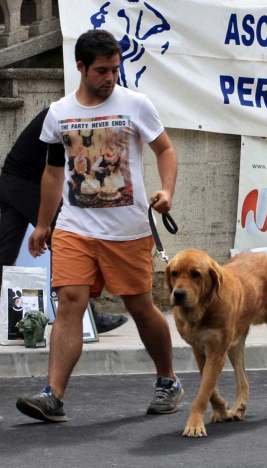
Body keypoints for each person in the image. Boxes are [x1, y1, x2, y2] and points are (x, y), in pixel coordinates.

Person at [16, 29, 184, 422]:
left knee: (140, 306)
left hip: (128, 231)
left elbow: (166, 149)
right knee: (70, 303)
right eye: (102, 71)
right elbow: (54, 174)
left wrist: (168, 191)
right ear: (81, 67)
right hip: (75, 228)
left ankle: (168, 379)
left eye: (115, 70)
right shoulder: (59, 114)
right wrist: (43, 225)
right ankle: (53, 395)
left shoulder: (137, 105)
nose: (110, 78)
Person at [0, 108, 128, 339]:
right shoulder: (65, 114)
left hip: (10, 184)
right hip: (26, 186)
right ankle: (87, 314)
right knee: (68, 243)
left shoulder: (63, 112)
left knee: (5, 252)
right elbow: (64, 169)